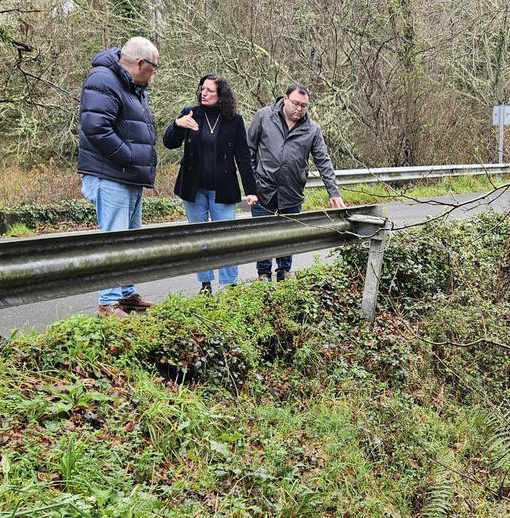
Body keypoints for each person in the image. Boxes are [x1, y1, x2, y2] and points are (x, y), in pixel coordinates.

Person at [77, 36, 160, 318]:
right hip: (111, 174)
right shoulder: (104, 79)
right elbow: (96, 127)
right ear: (139, 63)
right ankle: (108, 302)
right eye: (153, 68)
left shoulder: (133, 85)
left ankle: (125, 295)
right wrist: (130, 156)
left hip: (129, 175)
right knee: (114, 239)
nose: (154, 74)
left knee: (130, 240)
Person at [163, 74, 258, 295]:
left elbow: (243, 157)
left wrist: (251, 190)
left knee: (226, 239)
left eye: (209, 91)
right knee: (200, 239)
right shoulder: (190, 113)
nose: (203, 93)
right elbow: (169, 143)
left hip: (223, 189)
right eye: (202, 89)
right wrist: (177, 124)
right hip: (193, 188)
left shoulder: (234, 120)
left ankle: (229, 287)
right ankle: (205, 285)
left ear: (221, 95)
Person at [246, 83, 345, 281]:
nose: (299, 109)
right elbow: (248, 150)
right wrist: (251, 184)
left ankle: (284, 273)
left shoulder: (312, 129)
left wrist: (333, 192)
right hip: (263, 189)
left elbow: (323, 161)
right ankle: (263, 275)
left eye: (304, 106)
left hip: (292, 191)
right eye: (296, 103)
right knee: (263, 235)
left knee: (289, 235)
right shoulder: (264, 116)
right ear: (285, 99)